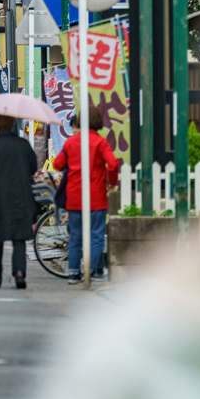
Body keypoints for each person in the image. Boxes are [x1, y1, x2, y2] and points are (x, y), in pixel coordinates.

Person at [53, 107, 119, 284]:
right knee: (96, 236)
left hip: (74, 197)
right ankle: (91, 271)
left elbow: (57, 163)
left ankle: (73, 273)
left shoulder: (70, 143)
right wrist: (111, 183)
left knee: (75, 236)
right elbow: (113, 164)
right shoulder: (101, 143)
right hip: (96, 197)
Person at [0, 114, 38, 289]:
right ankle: (19, 273)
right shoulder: (24, 145)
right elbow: (33, 168)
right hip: (22, 196)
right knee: (19, 238)